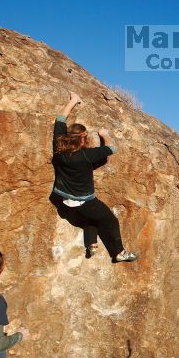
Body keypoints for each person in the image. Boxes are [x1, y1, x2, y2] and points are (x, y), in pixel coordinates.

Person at [50, 91, 138, 262]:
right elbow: (112, 150)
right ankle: (119, 253)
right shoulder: (87, 155)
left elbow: (60, 120)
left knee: (92, 216)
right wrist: (104, 135)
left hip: (63, 198)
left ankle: (92, 243)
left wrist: (73, 100)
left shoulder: (58, 147)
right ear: (82, 140)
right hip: (85, 201)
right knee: (110, 220)